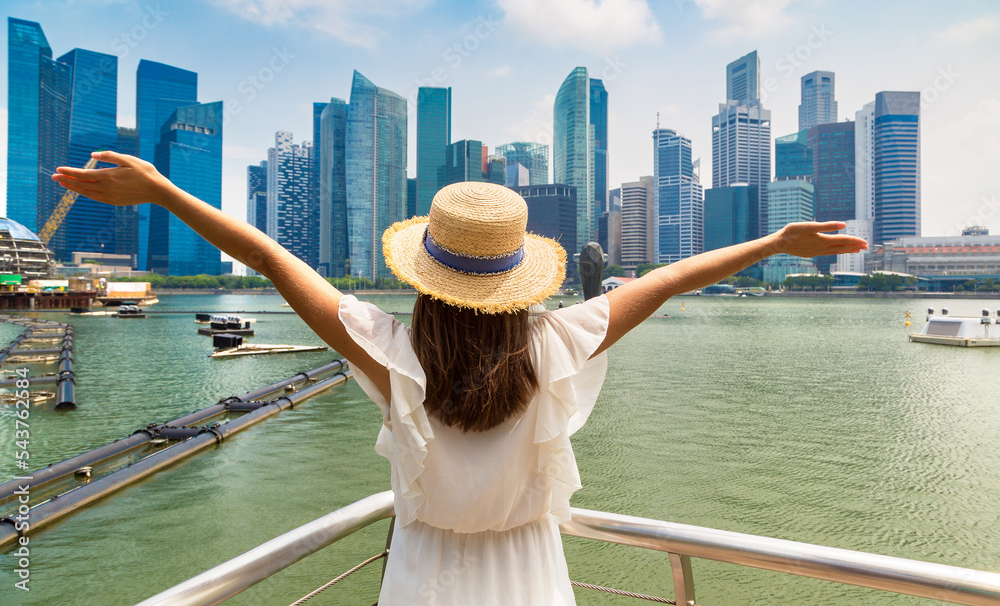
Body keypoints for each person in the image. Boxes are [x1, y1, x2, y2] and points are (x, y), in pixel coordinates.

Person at [52, 152, 867, 605]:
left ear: (425, 278)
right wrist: (771, 243)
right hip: (535, 583)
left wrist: (161, 190)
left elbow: (268, 257)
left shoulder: (393, 354)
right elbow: (670, 278)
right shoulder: (557, 346)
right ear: (520, 281)